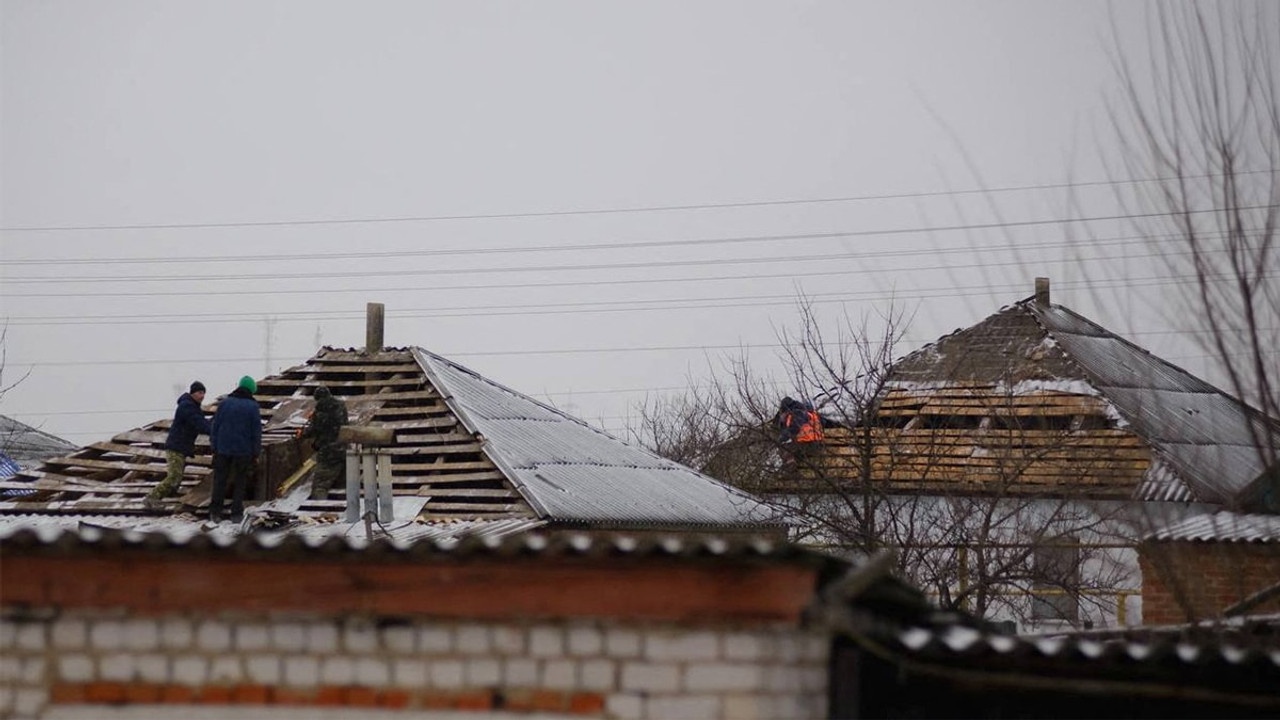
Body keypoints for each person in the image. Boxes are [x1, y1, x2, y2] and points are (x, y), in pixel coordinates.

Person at [209, 375, 262, 523]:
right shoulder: (252, 407)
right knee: (240, 482)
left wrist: (214, 446)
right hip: (243, 451)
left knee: (220, 480)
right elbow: (256, 432)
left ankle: (215, 512)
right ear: (251, 390)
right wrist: (256, 452)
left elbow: (215, 426)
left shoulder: (224, 403)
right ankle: (236, 514)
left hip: (222, 449)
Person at [147, 381, 212, 502]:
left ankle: (167, 498)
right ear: (192, 393)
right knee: (174, 477)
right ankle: (152, 497)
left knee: (177, 478)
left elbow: (202, 421)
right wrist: (215, 430)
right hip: (176, 448)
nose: (202, 396)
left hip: (180, 448)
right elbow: (199, 423)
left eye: (204, 393)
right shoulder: (187, 406)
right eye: (199, 392)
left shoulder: (192, 406)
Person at [300, 384, 349, 499]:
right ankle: (339, 512)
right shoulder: (341, 406)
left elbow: (314, 430)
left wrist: (302, 433)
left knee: (320, 485)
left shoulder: (321, 410)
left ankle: (318, 512)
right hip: (343, 451)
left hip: (328, 453)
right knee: (340, 486)